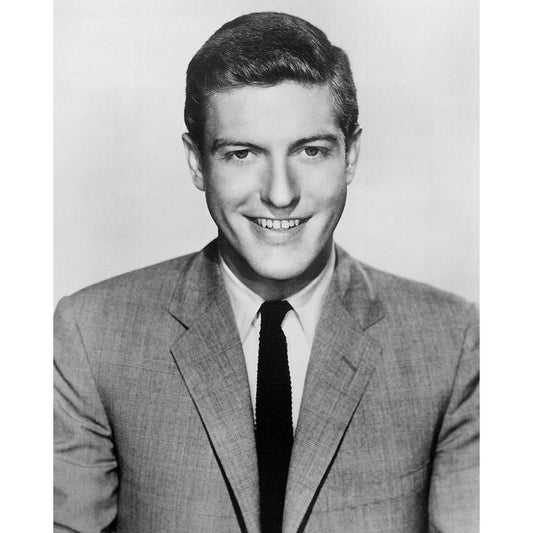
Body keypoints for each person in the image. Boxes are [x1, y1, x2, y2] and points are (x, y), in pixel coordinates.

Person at [54, 11, 478, 533]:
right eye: (242, 153)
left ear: (350, 156)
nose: (280, 193)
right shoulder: (92, 334)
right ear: (197, 162)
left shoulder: (452, 342)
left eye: (311, 151)